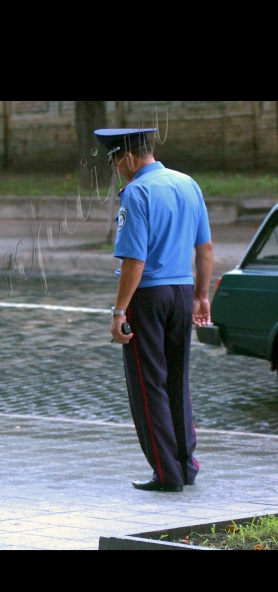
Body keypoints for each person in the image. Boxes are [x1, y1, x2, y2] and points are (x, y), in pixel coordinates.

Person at [94, 128, 214, 492]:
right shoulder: (187, 183)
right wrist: (201, 295)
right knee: (178, 380)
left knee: (149, 385)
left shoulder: (137, 191)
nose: (116, 169)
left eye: (115, 161)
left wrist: (118, 311)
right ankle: (185, 464)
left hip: (148, 297)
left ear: (129, 157)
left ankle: (166, 473)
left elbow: (135, 260)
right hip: (182, 291)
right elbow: (205, 248)